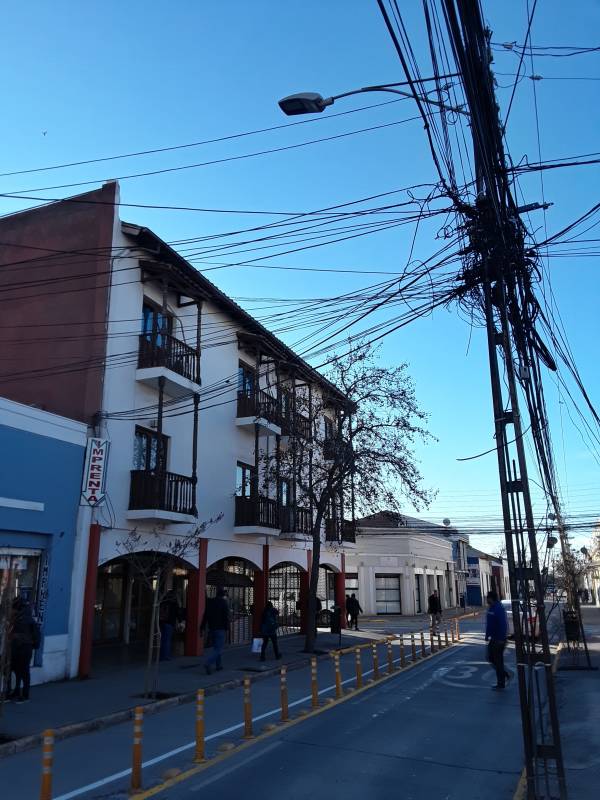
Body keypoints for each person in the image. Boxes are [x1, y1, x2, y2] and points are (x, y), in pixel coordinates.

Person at [9, 597, 38, 704]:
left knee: (23, 671)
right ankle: (17, 692)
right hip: (20, 647)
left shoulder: (23, 619)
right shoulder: (22, 617)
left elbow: (31, 634)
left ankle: (25, 695)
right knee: (17, 670)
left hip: (24, 648)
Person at [485, 589, 512, 690]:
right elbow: (490, 624)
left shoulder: (498, 608)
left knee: (497, 660)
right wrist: (487, 635)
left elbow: (503, 624)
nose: (486, 600)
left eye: (487, 598)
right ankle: (504, 674)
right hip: (494, 638)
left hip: (499, 639)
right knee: (490, 658)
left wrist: (501, 638)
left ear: (491, 599)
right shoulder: (491, 608)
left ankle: (501, 683)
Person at [201, 588, 230, 675]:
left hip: (211, 628)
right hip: (220, 629)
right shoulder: (224, 603)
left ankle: (219, 665)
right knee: (219, 649)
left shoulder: (210, 602)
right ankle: (208, 662)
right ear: (223, 595)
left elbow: (205, 615)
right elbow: (226, 617)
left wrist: (202, 627)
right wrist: (227, 628)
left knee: (216, 648)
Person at [159, 589, 181, 661]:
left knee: (163, 640)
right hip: (169, 623)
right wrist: (181, 621)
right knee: (167, 640)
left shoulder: (164, 602)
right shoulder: (174, 604)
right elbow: (178, 614)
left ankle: (162, 655)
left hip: (162, 622)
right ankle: (166, 656)